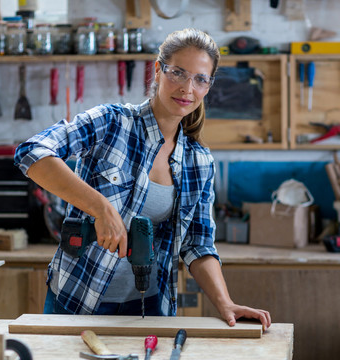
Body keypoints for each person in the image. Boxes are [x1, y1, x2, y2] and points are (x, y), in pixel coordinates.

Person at [14, 28, 271, 330]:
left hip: (150, 309)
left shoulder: (199, 161)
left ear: (208, 86)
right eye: (178, 73)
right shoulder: (111, 123)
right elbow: (31, 152)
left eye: (200, 79)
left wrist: (226, 303)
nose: (187, 88)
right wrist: (101, 208)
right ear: (158, 71)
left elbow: (198, 246)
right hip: (78, 301)